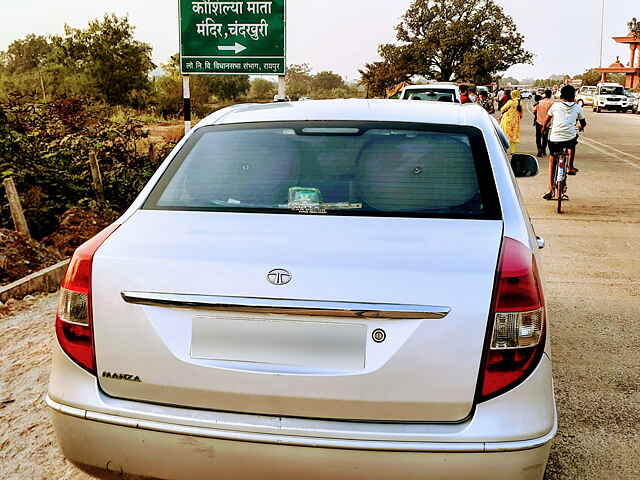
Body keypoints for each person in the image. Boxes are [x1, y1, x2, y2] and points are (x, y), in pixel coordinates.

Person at [541, 85, 587, 200]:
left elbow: (547, 119)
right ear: (573, 95)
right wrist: (580, 127)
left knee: (552, 160)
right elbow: (583, 122)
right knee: (572, 143)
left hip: (555, 138)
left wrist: (544, 128)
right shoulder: (577, 107)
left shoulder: (555, 106)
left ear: (561, 95)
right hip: (569, 139)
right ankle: (570, 167)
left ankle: (550, 189)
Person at [533, 90, 555, 157]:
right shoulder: (552, 103)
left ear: (545, 94)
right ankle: (543, 150)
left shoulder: (539, 102)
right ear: (551, 95)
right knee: (545, 137)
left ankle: (539, 149)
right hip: (547, 123)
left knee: (538, 137)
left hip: (539, 121)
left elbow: (534, 110)